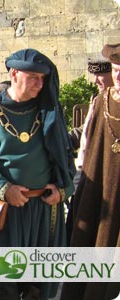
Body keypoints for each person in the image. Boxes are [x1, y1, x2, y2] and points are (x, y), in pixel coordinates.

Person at [0, 49, 75, 300]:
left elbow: (65, 158)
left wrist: (62, 190)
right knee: (4, 285)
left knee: (38, 285)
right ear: (13, 74)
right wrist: (4, 188)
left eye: (43, 78)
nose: (39, 83)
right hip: (6, 213)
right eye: (33, 77)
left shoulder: (50, 112)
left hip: (44, 211)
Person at [60, 40, 120, 300]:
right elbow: (86, 143)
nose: (118, 75)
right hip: (97, 185)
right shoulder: (100, 102)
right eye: (116, 69)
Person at [65, 56, 113, 242]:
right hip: (87, 172)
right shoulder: (99, 99)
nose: (95, 80)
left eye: (100, 74)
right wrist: (65, 140)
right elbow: (87, 131)